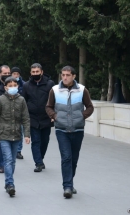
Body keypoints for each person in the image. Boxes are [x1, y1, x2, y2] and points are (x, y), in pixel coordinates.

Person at [45, 66, 94, 199]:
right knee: (66, 157)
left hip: (78, 129)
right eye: (63, 75)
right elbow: (48, 106)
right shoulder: (55, 90)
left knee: (74, 158)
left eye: (67, 75)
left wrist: (81, 116)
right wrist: (55, 116)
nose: (65, 77)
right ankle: (67, 186)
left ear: (74, 76)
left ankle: (70, 183)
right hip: (61, 129)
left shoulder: (82, 90)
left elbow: (90, 107)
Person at [0, 77, 30, 197]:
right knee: (7, 159)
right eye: (10, 85)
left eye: (14, 85)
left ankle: (8, 183)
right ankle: (10, 184)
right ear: (5, 87)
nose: (12, 87)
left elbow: (26, 118)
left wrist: (27, 134)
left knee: (12, 161)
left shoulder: (21, 100)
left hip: (16, 135)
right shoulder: (0, 100)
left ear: (17, 86)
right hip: (3, 135)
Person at [21, 63, 55, 172]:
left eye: (37, 71)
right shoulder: (26, 85)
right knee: (35, 141)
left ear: (42, 72)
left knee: (44, 141)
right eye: (33, 72)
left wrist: (53, 114)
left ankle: (40, 158)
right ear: (30, 73)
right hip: (32, 118)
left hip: (46, 117)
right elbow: (23, 101)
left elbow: (55, 100)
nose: (35, 73)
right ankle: (38, 163)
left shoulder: (50, 84)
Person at [11, 67, 25, 160]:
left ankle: (18, 151)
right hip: (9, 111)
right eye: (14, 74)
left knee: (20, 131)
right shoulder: (7, 84)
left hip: (20, 112)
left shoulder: (24, 85)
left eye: (17, 74)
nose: (16, 75)